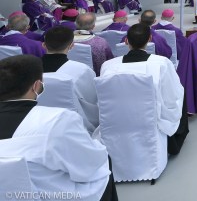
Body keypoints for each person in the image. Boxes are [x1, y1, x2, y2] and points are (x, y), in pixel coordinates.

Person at [0, 55, 118, 201]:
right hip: (51, 195)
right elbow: (89, 165)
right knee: (104, 162)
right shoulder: (56, 120)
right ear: (36, 86)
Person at [101, 23, 188, 155]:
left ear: (126, 41)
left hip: (119, 118)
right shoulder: (161, 63)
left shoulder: (108, 66)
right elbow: (172, 95)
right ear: (150, 39)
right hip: (151, 118)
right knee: (180, 91)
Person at [42, 26, 99, 132]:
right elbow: (93, 101)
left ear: (44, 45)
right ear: (72, 45)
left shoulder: (27, 70)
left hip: (38, 126)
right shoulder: (81, 70)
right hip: (75, 127)